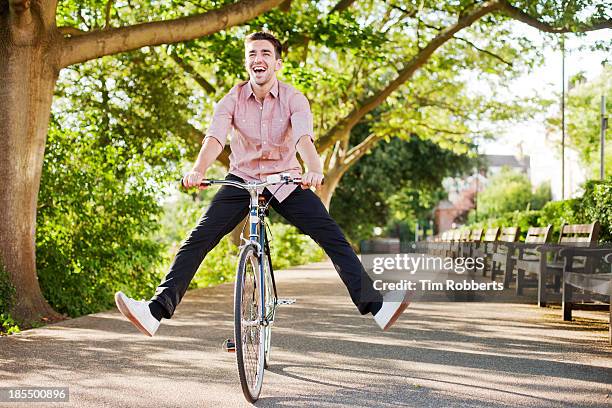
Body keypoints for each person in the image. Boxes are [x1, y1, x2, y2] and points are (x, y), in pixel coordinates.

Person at [114, 32, 409, 337]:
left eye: (266, 53)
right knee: (198, 238)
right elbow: (215, 138)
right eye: (252, 54)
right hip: (242, 179)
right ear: (246, 62)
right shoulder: (232, 98)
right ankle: (154, 312)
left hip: (285, 179)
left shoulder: (294, 98)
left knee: (332, 236)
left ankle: (378, 308)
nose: (259, 59)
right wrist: (198, 169)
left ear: (277, 63)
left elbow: (303, 138)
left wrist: (314, 168)